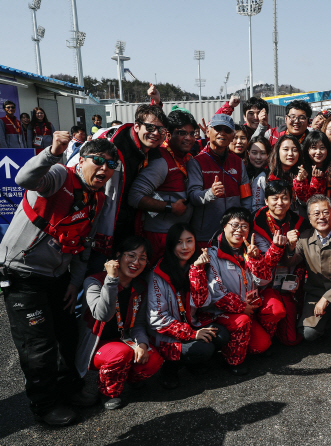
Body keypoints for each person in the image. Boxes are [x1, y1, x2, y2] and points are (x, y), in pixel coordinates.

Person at [0, 134, 117, 425]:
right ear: (83, 160)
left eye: (111, 164)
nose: (104, 168)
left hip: (58, 277)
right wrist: (52, 152)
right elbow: (24, 179)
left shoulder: (97, 198)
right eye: (98, 161)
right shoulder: (58, 176)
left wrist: (75, 283)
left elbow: (84, 245)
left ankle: (69, 389)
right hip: (22, 274)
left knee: (68, 336)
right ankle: (45, 405)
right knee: (38, 346)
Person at [73, 102, 169, 263]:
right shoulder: (114, 147)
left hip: (127, 222)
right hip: (97, 224)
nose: (156, 133)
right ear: (137, 126)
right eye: (151, 128)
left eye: (161, 130)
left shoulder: (150, 150)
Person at [76, 236, 163, 410]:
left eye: (143, 258)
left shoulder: (140, 287)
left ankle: (124, 377)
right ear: (118, 256)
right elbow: (103, 314)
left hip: (123, 340)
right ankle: (108, 392)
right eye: (131, 255)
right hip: (95, 345)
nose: (136, 262)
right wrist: (111, 279)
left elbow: (138, 324)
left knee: (153, 360)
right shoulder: (94, 281)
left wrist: (142, 344)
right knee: (120, 353)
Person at [197, 208, 286, 375]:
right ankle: (234, 361)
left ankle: (260, 342)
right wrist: (240, 307)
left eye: (244, 226)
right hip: (224, 312)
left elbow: (264, 280)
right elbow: (216, 293)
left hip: (249, 306)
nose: (239, 230)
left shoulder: (249, 250)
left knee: (273, 312)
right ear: (224, 226)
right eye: (235, 225)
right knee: (242, 322)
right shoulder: (212, 254)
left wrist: (256, 259)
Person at [147, 223, 231, 388]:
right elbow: (157, 318)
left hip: (193, 322)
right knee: (202, 348)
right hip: (168, 331)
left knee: (222, 335)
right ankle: (170, 368)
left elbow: (203, 303)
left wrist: (198, 271)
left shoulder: (200, 263)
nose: (185, 247)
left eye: (189, 241)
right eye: (179, 242)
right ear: (171, 245)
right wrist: (191, 334)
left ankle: (194, 363)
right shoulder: (158, 273)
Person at [129, 110, 197, 264]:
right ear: (168, 135)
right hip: (160, 237)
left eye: (192, 133)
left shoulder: (187, 158)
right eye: (181, 133)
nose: (188, 138)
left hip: (179, 237)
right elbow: (134, 197)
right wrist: (170, 207)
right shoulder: (161, 161)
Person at [252, 180, 311, 345]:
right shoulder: (254, 223)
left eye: (284, 198)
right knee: (274, 311)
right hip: (262, 285)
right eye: (275, 198)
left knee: (291, 339)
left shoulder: (300, 222)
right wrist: (278, 247)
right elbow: (261, 265)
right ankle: (264, 334)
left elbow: (303, 260)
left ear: (291, 201)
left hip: (288, 283)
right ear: (266, 200)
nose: (280, 203)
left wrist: (297, 280)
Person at [284, 195, 331, 342]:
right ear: (309, 217)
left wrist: (327, 298)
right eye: (316, 213)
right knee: (307, 333)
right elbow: (290, 261)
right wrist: (290, 247)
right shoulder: (305, 238)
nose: (322, 217)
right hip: (316, 293)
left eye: (326, 212)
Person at [187, 113, 252, 249]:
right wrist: (210, 193)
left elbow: (246, 197)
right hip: (205, 236)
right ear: (208, 131)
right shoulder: (196, 162)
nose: (222, 133)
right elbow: (192, 196)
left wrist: (243, 223)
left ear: (232, 135)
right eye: (218, 129)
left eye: (227, 130)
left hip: (233, 235)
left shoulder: (238, 162)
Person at [246, 135, 271, 212]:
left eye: (263, 153)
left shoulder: (269, 175)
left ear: (268, 154)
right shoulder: (243, 171)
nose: (258, 157)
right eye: (254, 153)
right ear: (248, 153)